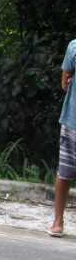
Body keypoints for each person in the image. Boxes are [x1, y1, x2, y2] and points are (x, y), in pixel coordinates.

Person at [49, 37, 76, 237]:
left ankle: (58, 220)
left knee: (65, 174)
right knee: (65, 173)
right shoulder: (74, 47)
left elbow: (66, 83)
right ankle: (58, 220)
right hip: (72, 121)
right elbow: (65, 83)